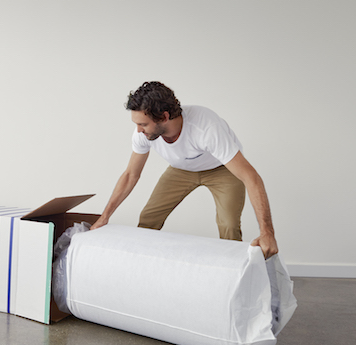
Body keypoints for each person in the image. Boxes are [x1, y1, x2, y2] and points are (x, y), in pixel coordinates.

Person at [91, 81, 278, 259]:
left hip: (222, 169)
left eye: (143, 124)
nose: (139, 130)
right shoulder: (142, 133)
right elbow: (131, 174)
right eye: (137, 124)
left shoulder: (206, 127)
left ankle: (234, 275)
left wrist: (267, 232)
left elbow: (251, 177)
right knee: (148, 218)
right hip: (181, 169)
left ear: (164, 117)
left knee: (228, 225)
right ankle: (141, 266)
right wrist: (105, 216)